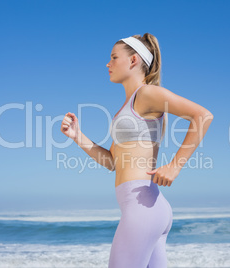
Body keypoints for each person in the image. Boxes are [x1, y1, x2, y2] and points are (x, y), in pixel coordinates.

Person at [61, 33, 214, 268]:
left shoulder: (147, 94)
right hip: (148, 207)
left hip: (142, 208)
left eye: (114, 57)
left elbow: (202, 116)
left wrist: (175, 166)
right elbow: (112, 162)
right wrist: (77, 136)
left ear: (133, 61)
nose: (108, 63)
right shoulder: (129, 104)